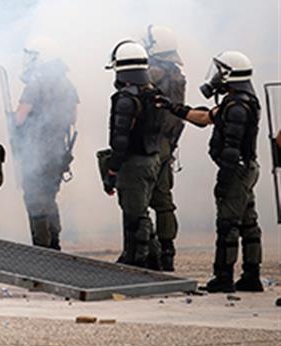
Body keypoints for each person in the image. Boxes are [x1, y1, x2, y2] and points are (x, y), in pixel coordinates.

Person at [162, 51, 262, 292]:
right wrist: (173, 108)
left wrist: (225, 181)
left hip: (235, 171)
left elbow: (232, 149)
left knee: (227, 224)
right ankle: (251, 275)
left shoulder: (237, 106)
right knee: (249, 224)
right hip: (245, 169)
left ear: (229, 74)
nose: (216, 77)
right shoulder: (238, 101)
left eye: (220, 72)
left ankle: (224, 277)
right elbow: (205, 117)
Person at [101, 40, 162, 269]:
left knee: (135, 215)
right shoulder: (153, 93)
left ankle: (137, 260)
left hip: (134, 163)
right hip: (152, 159)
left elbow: (121, 139)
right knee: (141, 210)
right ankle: (153, 259)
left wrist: (113, 169)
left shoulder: (125, 99)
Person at [14, 36, 78, 250]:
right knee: (49, 198)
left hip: (37, 150)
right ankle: (54, 244)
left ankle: (41, 248)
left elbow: (21, 116)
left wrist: (14, 126)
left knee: (35, 198)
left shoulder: (37, 82)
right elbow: (72, 117)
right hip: (58, 149)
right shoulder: (66, 82)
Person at [141, 25, 187, 271]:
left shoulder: (154, 74)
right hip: (168, 142)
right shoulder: (176, 75)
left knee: (142, 198)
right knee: (164, 199)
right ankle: (166, 251)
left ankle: (148, 252)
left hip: (152, 143)